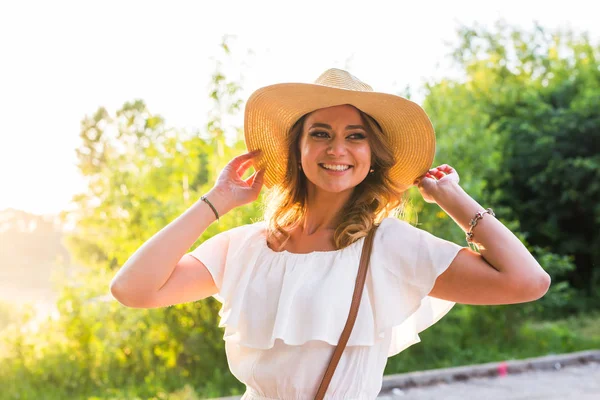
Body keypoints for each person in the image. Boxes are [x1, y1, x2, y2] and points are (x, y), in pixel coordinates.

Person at [109, 68, 551, 399]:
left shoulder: (391, 245)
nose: (336, 149)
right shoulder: (243, 246)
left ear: (371, 156)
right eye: (319, 134)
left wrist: (454, 199)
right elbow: (132, 289)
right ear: (297, 151)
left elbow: (527, 282)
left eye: (354, 136)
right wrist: (217, 200)